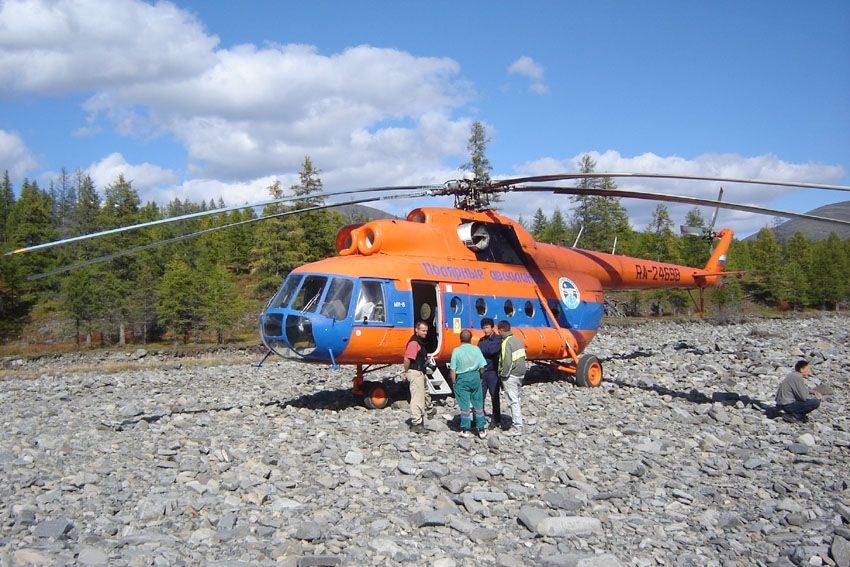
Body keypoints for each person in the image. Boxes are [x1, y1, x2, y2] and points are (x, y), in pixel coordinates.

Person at [449, 329, 489, 438]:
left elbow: (453, 369)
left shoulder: (456, 351)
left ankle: (465, 429)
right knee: (478, 404)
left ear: (460, 339)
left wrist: (454, 382)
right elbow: (482, 367)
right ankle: (481, 429)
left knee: (464, 405)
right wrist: (480, 377)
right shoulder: (476, 349)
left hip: (462, 378)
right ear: (470, 338)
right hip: (475, 376)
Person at [403, 321, 433, 434]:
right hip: (415, 372)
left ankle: (429, 410)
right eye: (423, 330)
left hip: (420, 373)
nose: (425, 333)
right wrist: (406, 371)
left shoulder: (420, 342)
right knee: (417, 398)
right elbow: (407, 358)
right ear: (416, 330)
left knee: (425, 394)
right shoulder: (414, 343)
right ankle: (417, 423)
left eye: (426, 331)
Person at [498, 320, 527, 435]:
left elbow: (507, 361)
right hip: (520, 374)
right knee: (517, 399)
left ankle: (517, 427)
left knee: (512, 400)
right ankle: (517, 422)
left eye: (498, 331)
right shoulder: (518, 340)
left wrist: (503, 375)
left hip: (511, 375)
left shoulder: (506, 342)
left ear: (501, 330)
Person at [477, 317, 503, 430]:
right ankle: (480, 419)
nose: (485, 330)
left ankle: (496, 419)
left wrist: (483, 349)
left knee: (495, 396)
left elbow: (493, 350)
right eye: (484, 328)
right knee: (480, 397)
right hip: (483, 372)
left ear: (492, 328)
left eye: (487, 327)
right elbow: (479, 351)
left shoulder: (497, 339)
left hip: (493, 372)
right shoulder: (481, 340)